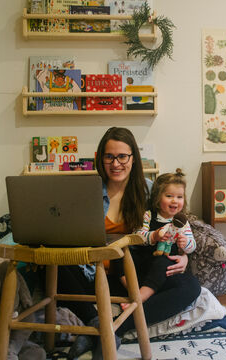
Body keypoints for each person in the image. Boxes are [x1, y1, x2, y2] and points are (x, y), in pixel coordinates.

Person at [65, 127, 201, 358]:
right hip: (93, 272)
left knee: (190, 286)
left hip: (133, 273)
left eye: (122, 156)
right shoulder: (87, 190)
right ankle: (95, 321)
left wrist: (185, 255)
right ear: (100, 158)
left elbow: (173, 223)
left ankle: (108, 330)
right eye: (109, 156)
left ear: (133, 159)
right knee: (53, 265)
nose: (116, 163)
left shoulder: (149, 190)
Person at [120, 169, 197, 308]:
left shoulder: (182, 222)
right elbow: (137, 236)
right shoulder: (148, 215)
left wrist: (186, 244)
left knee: (163, 262)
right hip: (143, 260)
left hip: (162, 264)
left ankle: (141, 297)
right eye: (169, 196)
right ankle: (133, 291)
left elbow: (192, 245)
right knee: (120, 254)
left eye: (179, 197)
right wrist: (154, 236)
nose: (175, 200)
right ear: (157, 197)